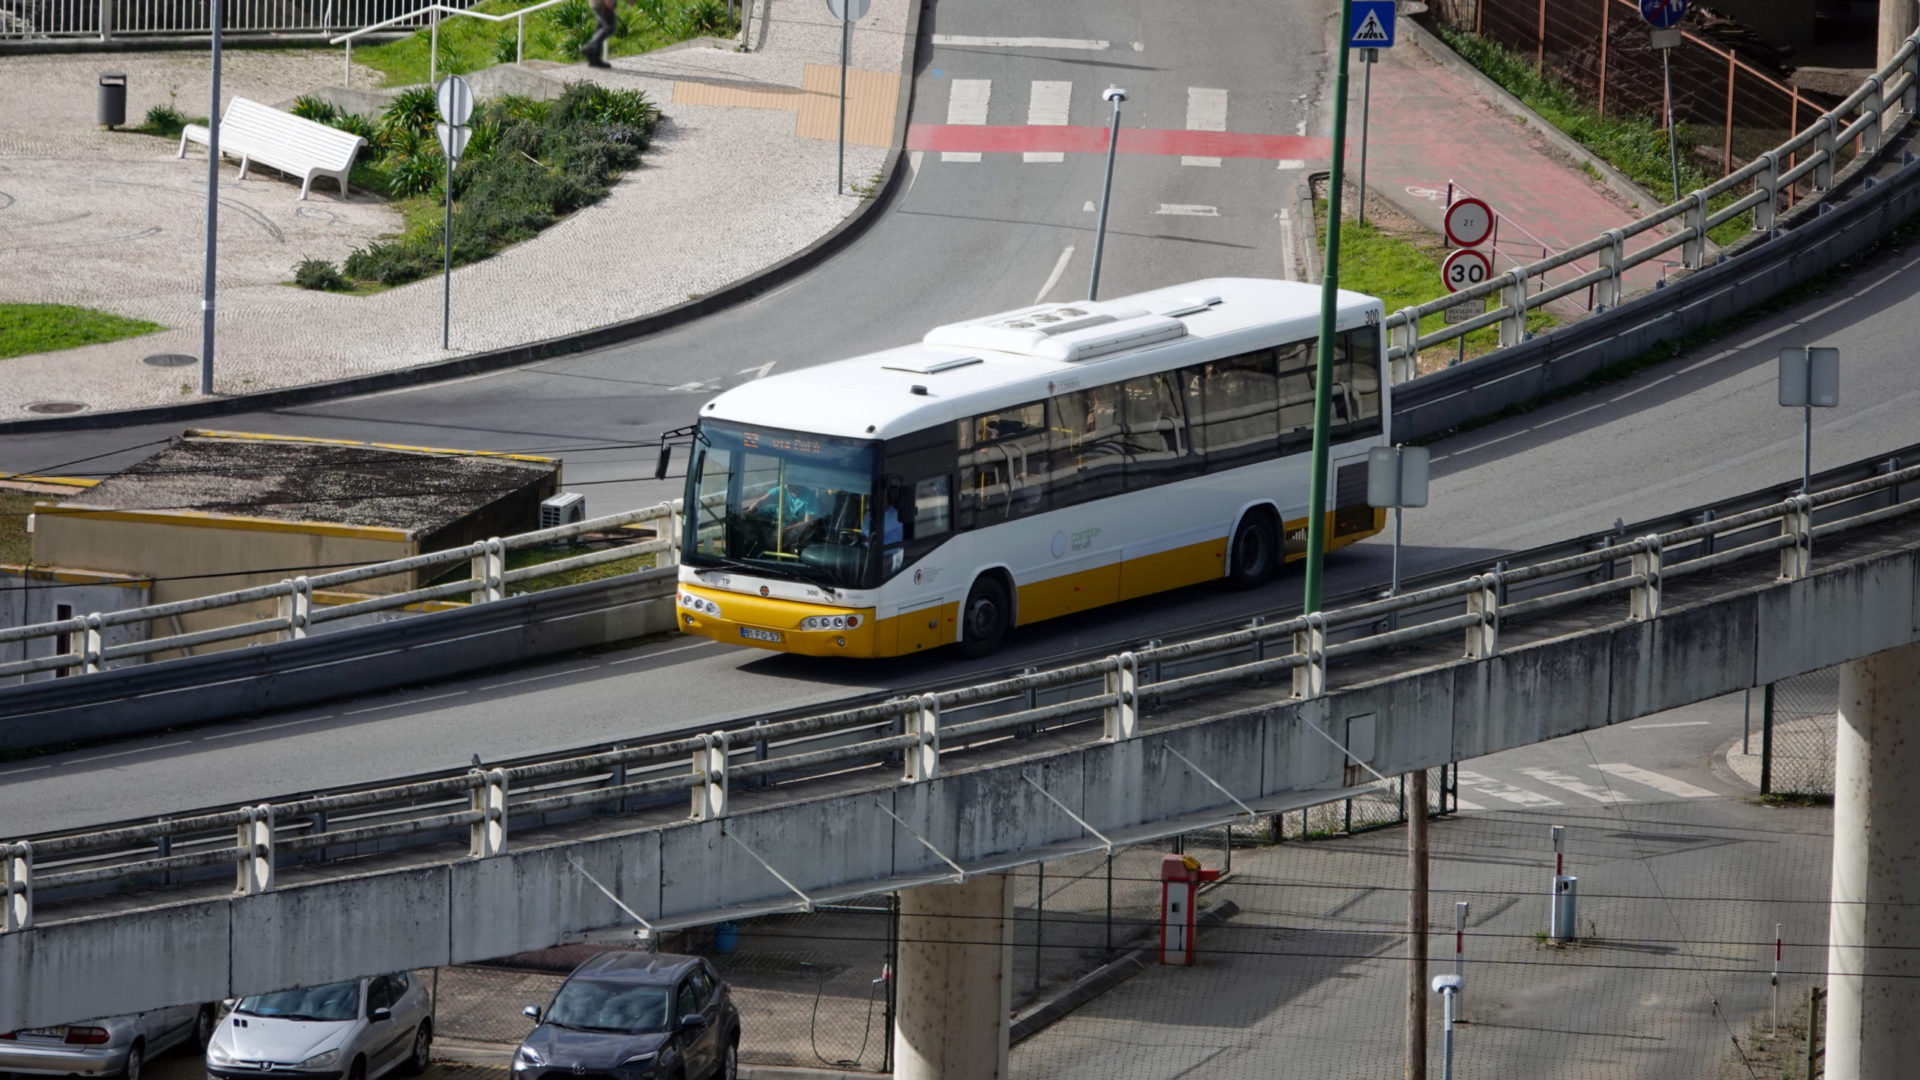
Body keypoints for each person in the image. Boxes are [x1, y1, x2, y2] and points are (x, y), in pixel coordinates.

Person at [580, 0, 620, 69]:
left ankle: (594, 60)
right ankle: (589, 48)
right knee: (609, 27)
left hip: (597, 3)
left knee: (600, 29)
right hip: (602, 4)